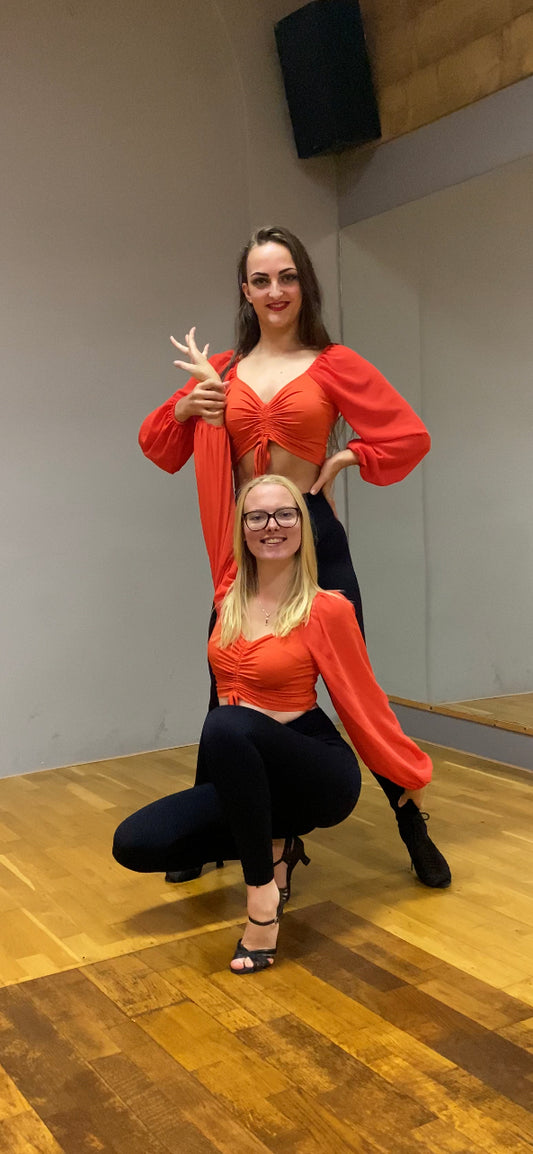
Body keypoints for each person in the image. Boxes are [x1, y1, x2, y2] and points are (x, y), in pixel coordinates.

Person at [138, 225, 449, 888]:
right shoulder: (220, 370)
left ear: (303, 283)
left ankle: (409, 820)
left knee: (353, 687)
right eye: (260, 279)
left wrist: (347, 456)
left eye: (286, 277)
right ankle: (212, 829)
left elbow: (406, 435)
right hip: (245, 549)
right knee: (229, 688)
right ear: (244, 291)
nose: (274, 291)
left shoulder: (334, 363)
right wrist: (190, 407)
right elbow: (159, 446)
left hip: (312, 537)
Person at [113, 413, 443, 973]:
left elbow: (363, 703)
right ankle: (274, 841)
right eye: (258, 516)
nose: (272, 525)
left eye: (285, 514)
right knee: (136, 843)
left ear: (304, 525)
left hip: (315, 769)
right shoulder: (227, 596)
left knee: (223, 722)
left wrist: (409, 775)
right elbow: (213, 491)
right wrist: (207, 413)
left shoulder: (325, 608)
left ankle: (261, 903)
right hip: (249, 770)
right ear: (241, 528)